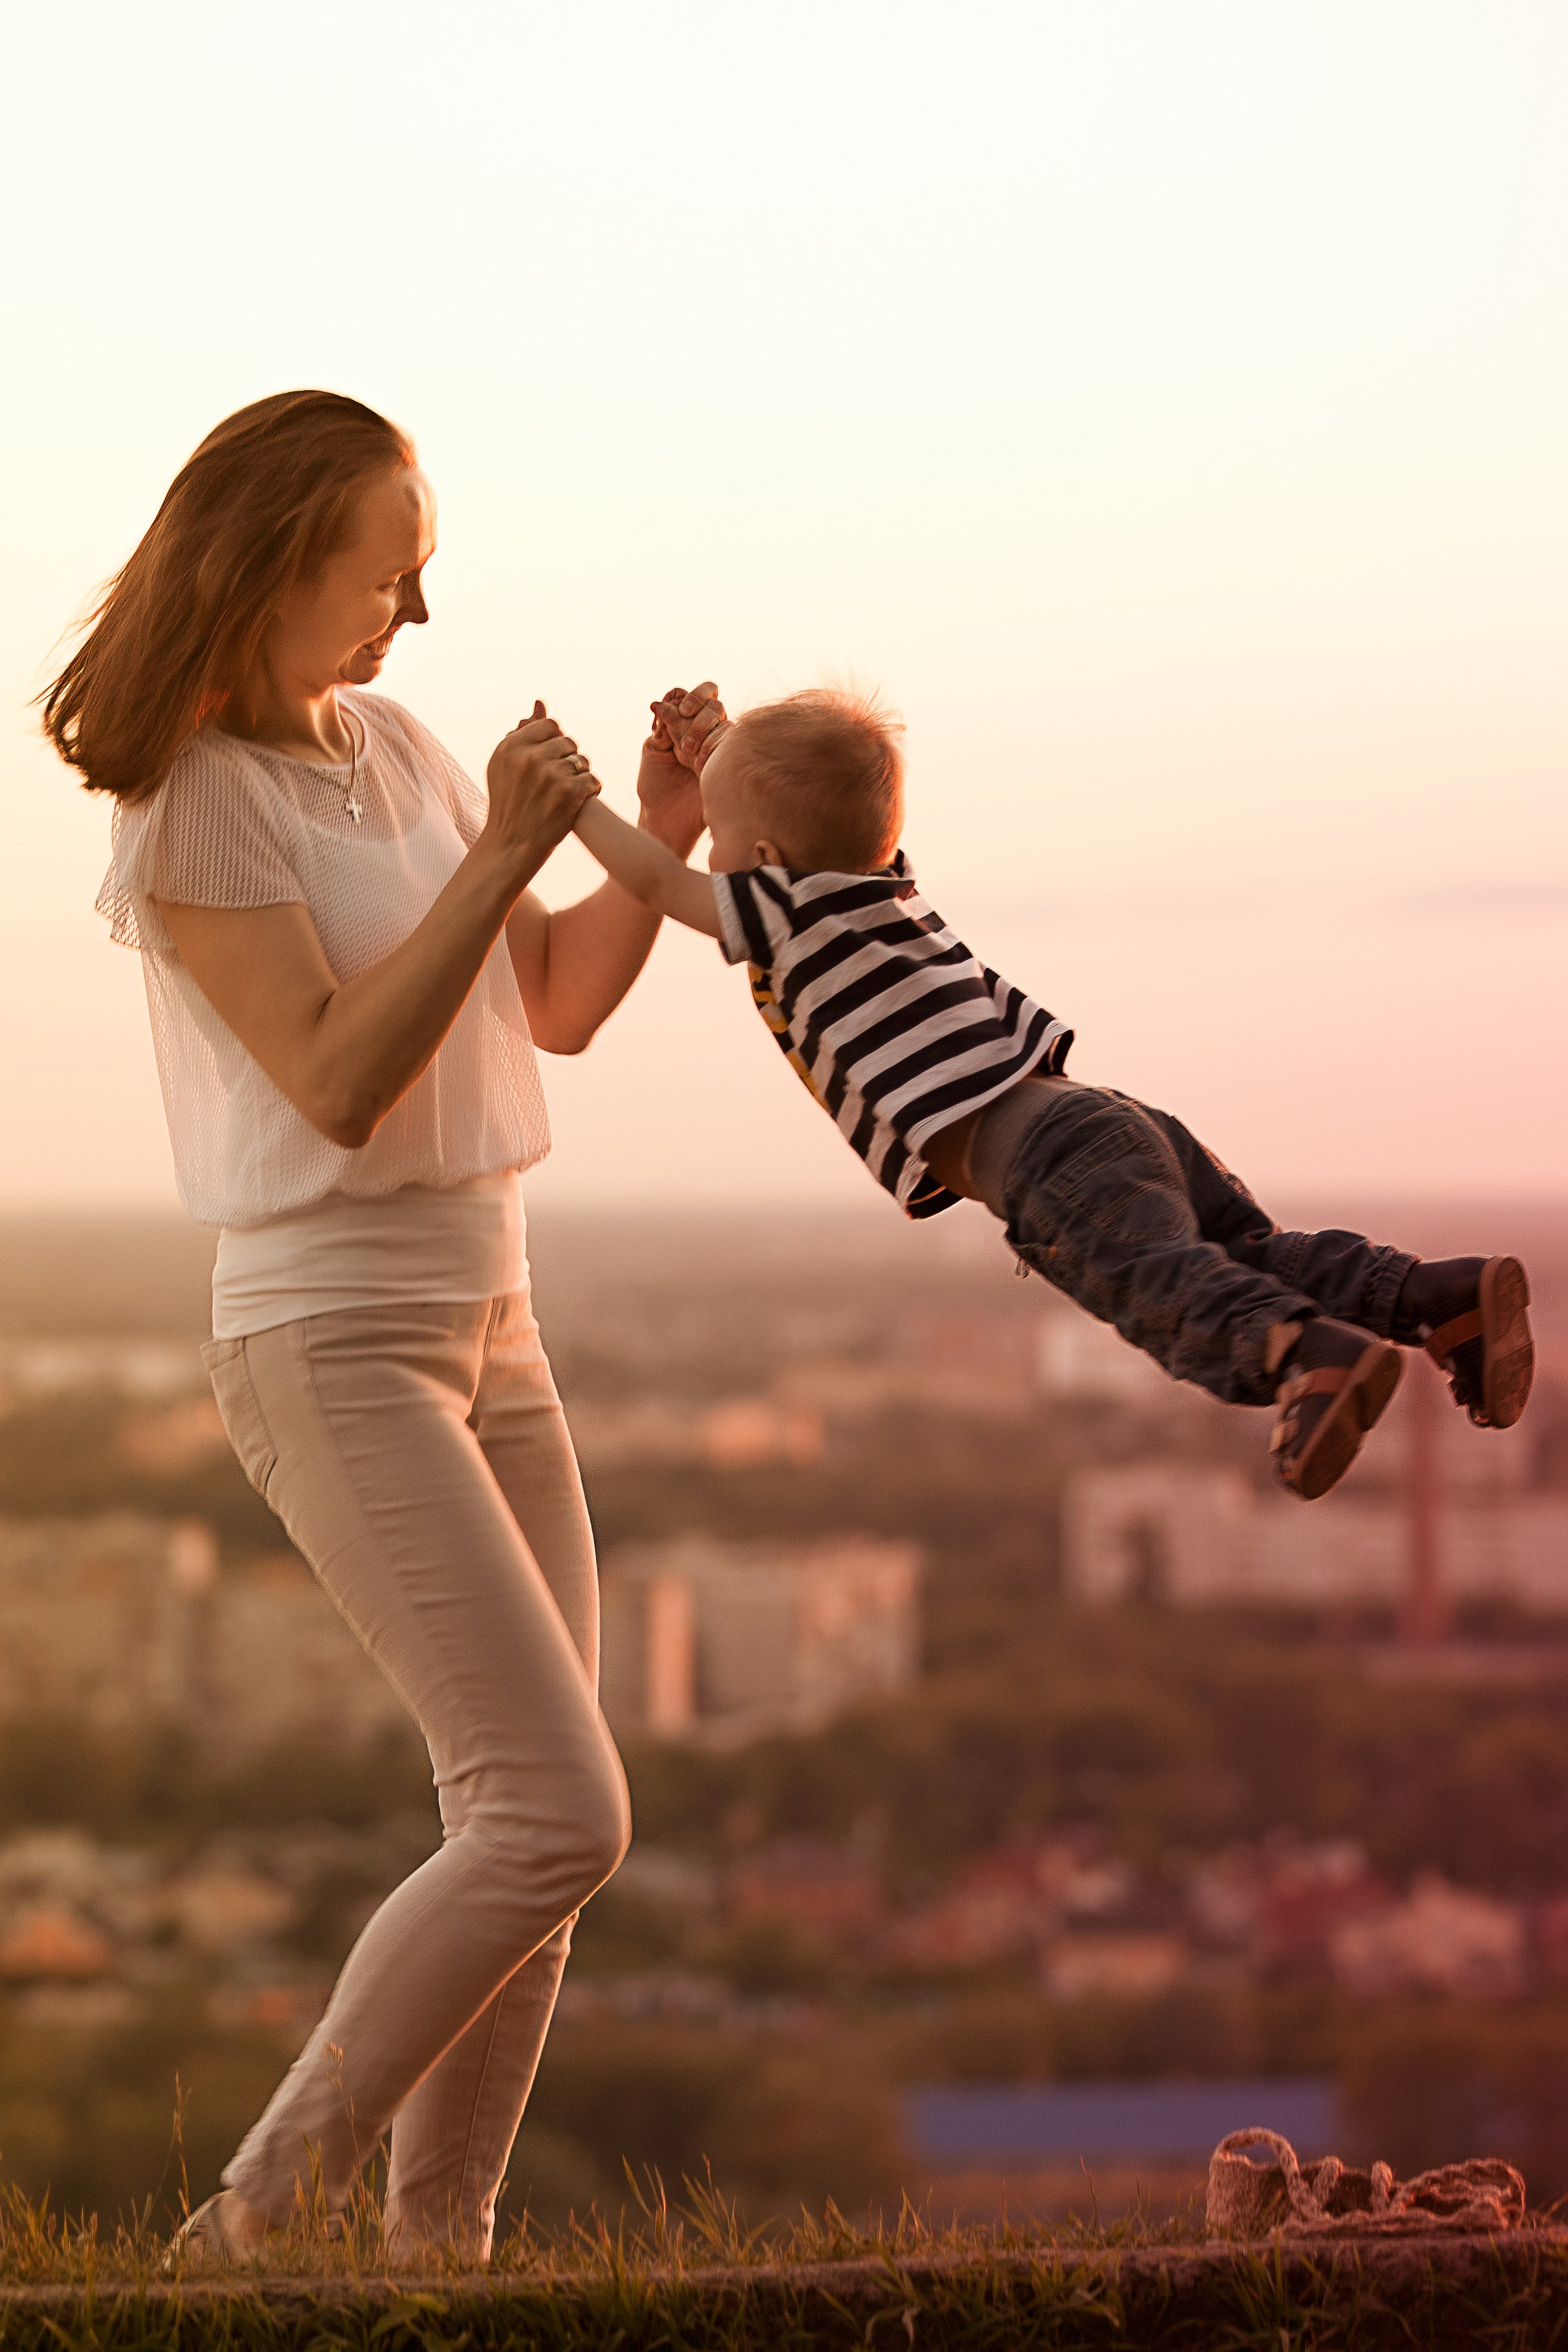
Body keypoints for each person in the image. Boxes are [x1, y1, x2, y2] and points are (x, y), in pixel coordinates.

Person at [42, 389, 725, 2263]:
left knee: (536, 1848)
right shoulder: (192, 803)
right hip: (331, 1338)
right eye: (386, 574)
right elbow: (338, 1076)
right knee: (556, 1809)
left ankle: (444, 2262)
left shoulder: (408, 751)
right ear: (272, 566)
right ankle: (253, 2221)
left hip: (498, 1321)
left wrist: (642, 839)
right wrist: (500, 857)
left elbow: (558, 1005)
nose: (413, 617)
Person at [567, 686, 1534, 1499]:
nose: (718, 859)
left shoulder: (778, 903)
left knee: (1160, 1286)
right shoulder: (879, 888)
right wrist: (727, 752)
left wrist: (571, 804)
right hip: (1110, 1118)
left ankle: (1299, 1352)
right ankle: (1432, 1296)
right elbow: (796, 800)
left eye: (726, 837)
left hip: (1046, 1160)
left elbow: (659, 880)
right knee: (1249, 1249)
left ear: (766, 860)